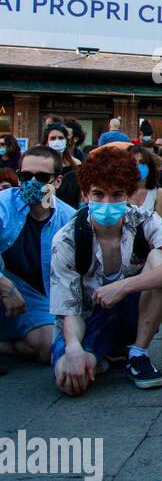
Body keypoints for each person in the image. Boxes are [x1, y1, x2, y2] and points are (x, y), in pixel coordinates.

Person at [48, 145, 162, 394]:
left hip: (129, 312)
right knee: (69, 379)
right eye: (99, 194)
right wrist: (73, 349)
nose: (107, 202)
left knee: (161, 257)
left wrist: (124, 286)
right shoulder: (67, 239)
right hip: (86, 320)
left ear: (129, 194)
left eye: (116, 195)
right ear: (85, 195)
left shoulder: (142, 219)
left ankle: (138, 354)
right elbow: (68, 309)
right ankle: (102, 358)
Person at [0, 146, 78, 363]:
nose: (32, 182)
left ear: (58, 182)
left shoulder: (69, 219)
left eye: (42, 177)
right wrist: (5, 286)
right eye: (25, 176)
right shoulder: (3, 204)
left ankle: (6, 346)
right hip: (5, 280)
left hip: (34, 295)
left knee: (49, 348)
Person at [42, 122, 82, 209]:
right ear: (46, 142)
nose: (57, 141)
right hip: (49, 210)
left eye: (60, 138)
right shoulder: (41, 165)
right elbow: (45, 201)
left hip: (72, 210)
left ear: (66, 140)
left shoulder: (76, 164)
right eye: (53, 138)